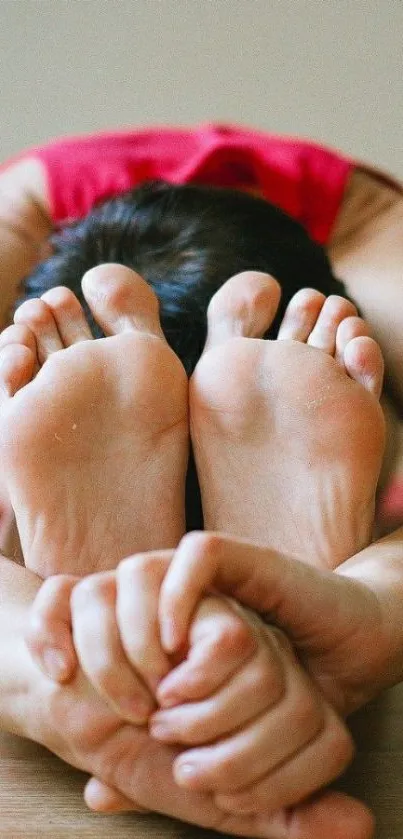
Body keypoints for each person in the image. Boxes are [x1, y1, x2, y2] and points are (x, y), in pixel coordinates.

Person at [0, 124, 402, 838]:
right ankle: (300, 573)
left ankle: (88, 592)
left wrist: (46, 652)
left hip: (353, 222)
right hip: (48, 221)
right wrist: (368, 604)